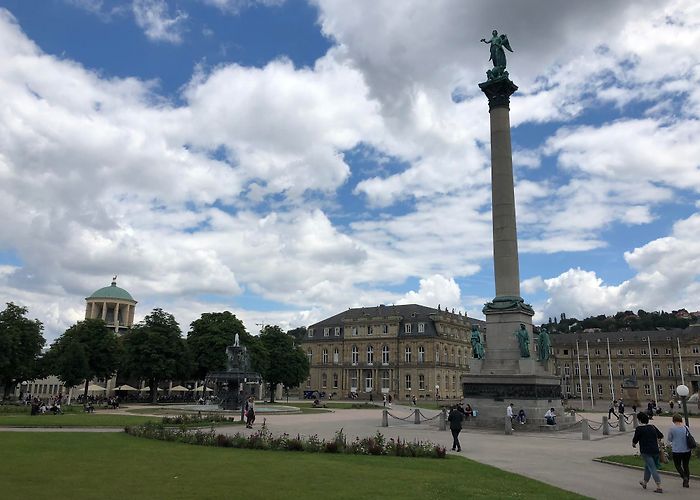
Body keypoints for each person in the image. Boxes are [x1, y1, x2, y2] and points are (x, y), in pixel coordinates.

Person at [632, 412, 663, 493]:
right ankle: (644, 483)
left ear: (639, 420)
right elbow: (660, 435)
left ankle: (659, 486)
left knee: (652, 468)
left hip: (646, 451)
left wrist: (634, 444)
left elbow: (635, 440)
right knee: (647, 467)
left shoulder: (639, 429)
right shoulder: (652, 427)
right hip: (655, 450)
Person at [667, 413, 691, 488]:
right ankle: (686, 482)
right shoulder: (686, 427)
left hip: (677, 450)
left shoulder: (672, 428)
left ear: (673, 420)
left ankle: (684, 477)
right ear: (681, 419)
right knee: (686, 465)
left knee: (677, 465)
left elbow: (670, 439)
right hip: (687, 450)